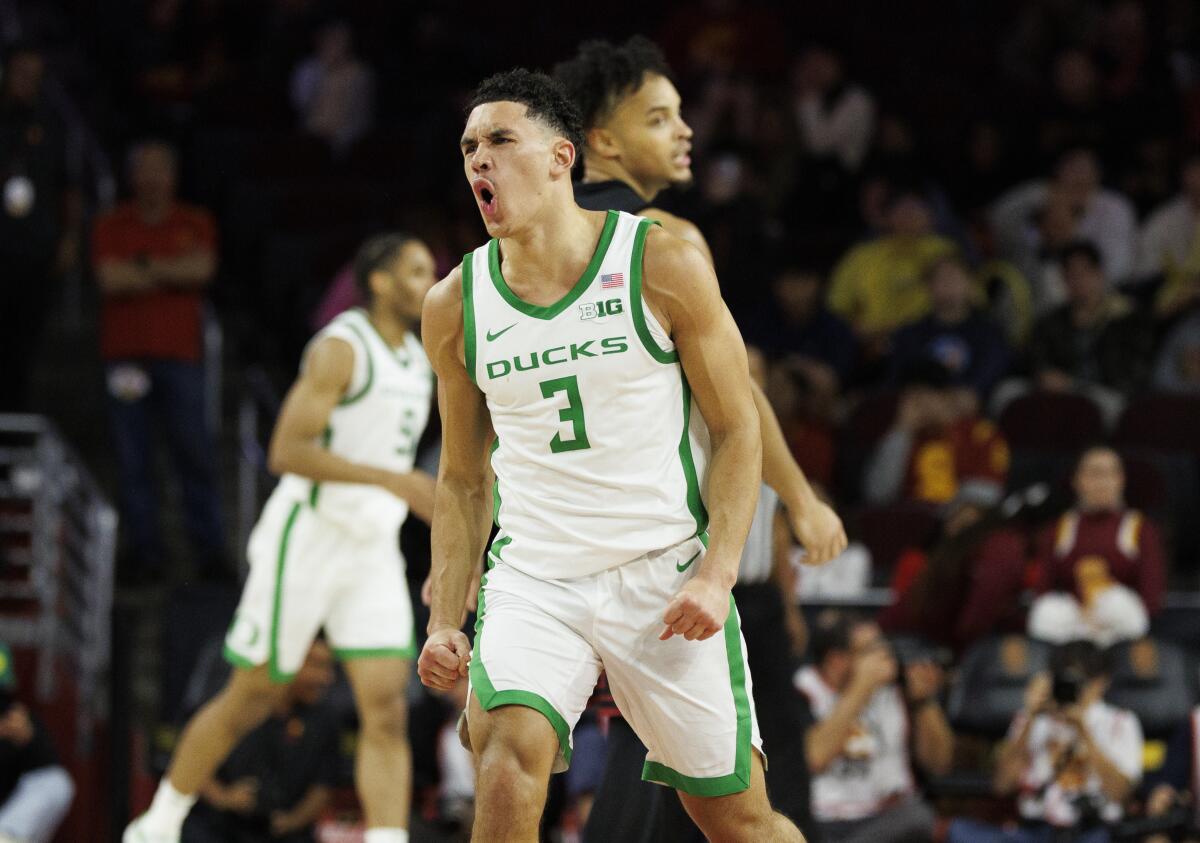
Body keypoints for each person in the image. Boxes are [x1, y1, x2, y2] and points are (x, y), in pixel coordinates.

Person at [418, 68, 806, 841]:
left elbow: (738, 428)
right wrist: (442, 616)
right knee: (503, 765)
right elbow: (462, 480)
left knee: (739, 822)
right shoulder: (454, 304)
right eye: (468, 148)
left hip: (662, 574)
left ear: (563, 157)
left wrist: (717, 567)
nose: (478, 162)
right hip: (537, 576)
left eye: (500, 140)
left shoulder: (660, 263)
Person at [553, 37, 847, 839]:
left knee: (601, 752)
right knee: (713, 784)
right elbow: (738, 396)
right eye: (660, 116)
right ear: (603, 142)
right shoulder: (663, 238)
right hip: (660, 538)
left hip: (559, 542)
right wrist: (801, 495)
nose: (685, 130)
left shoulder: (538, 242)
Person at [125, 233, 439, 843]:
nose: (430, 280)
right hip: (310, 533)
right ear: (378, 282)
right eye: (416, 270)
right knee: (253, 694)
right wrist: (395, 480)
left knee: (387, 706)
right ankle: (157, 825)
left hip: (370, 544)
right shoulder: (343, 348)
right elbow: (286, 451)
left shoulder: (419, 355)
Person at [91, 140, 228, 584]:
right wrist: (171, 270)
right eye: (143, 169)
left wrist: (142, 267)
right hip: (126, 361)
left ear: (172, 175)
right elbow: (111, 278)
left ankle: (208, 552)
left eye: (159, 169)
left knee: (194, 453)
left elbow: (202, 270)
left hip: (180, 358)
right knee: (133, 459)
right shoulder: (112, 224)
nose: (151, 178)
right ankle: (144, 553)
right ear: (132, 176)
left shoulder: (195, 221)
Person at [947, 641, 1143, 842]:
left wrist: (1083, 731)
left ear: (1102, 681)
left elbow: (1121, 794)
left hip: (1091, 831)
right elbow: (1001, 785)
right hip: (1036, 831)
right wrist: (1031, 717)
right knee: (961, 831)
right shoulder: (1033, 719)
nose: (1076, 689)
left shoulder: (1120, 721)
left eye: (1082, 681)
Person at [796, 612, 953, 843]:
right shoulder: (804, 690)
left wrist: (923, 702)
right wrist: (860, 689)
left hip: (885, 819)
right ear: (836, 660)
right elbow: (813, 758)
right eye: (871, 650)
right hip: (821, 819)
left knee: (918, 818)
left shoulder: (895, 690)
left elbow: (940, 764)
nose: (884, 657)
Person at [182, 640, 339, 843]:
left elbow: (324, 784)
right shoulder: (229, 705)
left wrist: (292, 821)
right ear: (288, 663)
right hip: (221, 827)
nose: (326, 678)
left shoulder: (325, 719)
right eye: (316, 665)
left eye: (329, 667)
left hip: (284, 831)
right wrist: (223, 797)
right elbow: (189, 759)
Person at [0, 41, 79, 412]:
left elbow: (68, 186)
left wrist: (68, 238)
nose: (27, 82)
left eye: (35, 76)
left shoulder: (50, 124)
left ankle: (17, 438)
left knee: (24, 350)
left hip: (33, 256)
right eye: (21, 74)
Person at [1028, 446, 1165, 648]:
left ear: (1121, 480)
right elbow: (1042, 590)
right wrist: (1081, 615)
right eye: (1093, 473)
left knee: (1117, 602)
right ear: (1076, 480)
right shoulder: (1058, 529)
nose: (1102, 482)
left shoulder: (1140, 528)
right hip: (1071, 627)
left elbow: (1151, 598)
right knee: (1046, 612)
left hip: (1117, 629)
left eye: (1110, 473)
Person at [864, 360, 1009, 507]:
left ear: (946, 395)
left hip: (959, 524)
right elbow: (877, 494)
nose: (912, 406)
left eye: (920, 396)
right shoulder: (905, 437)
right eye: (908, 398)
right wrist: (901, 431)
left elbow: (984, 496)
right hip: (910, 522)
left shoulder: (980, 434)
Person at [826, 189, 958, 349]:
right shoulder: (862, 255)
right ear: (886, 216)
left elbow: (965, 298)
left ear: (930, 215)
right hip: (866, 344)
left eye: (915, 209)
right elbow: (837, 304)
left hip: (927, 339)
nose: (909, 217)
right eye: (902, 210)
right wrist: (857, 331)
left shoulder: (944, 251)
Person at [889, 254, 1011, 403]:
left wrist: (964, 394)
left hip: (972, 409)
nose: (948, 284)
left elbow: (989, 375)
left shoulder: (989, 332)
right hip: (920, 405)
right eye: (940, 279)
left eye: (954, 277)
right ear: (928, 286)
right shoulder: (910, 333)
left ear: (970, 284)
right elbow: (898, 378)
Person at [0, 643, 74, 843]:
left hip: (8, 821)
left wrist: (29, 741)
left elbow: (53, 780)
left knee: (56, 782)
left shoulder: (16, 719)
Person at [1136, 151, 1200, 319]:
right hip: (1176, 303)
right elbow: (1145, 272)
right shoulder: (1163, 219)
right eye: (1194, 170)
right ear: (1185, 176)